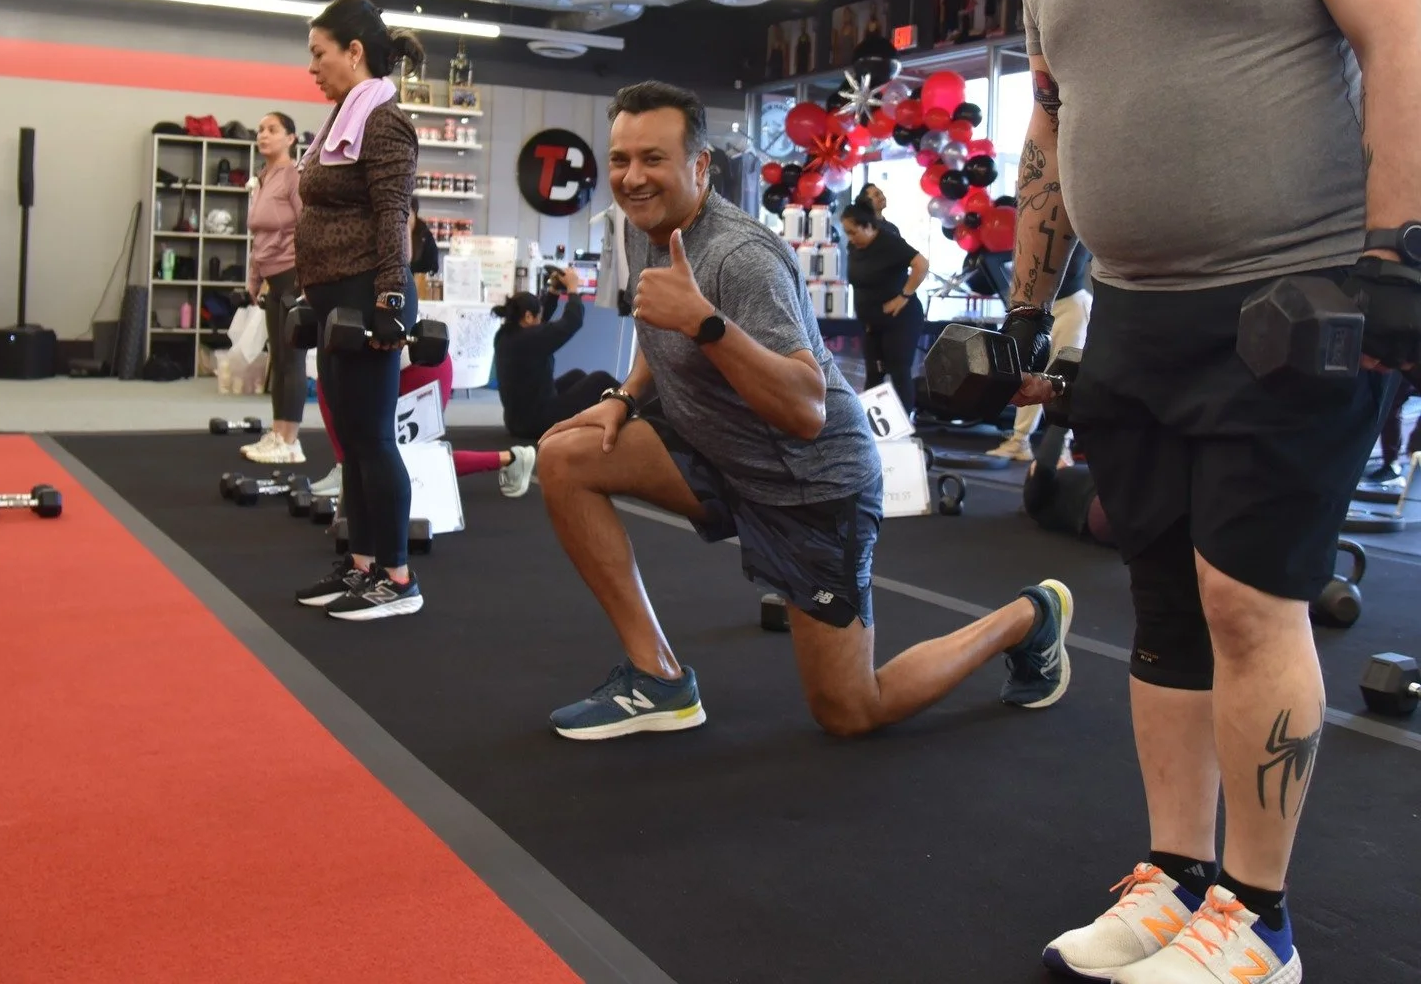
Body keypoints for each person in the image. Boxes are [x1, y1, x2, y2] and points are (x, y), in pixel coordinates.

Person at [1008, 0, 1420, 983]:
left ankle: (1259, 918)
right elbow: (1049, 128)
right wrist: (1026, 311)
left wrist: (1395, 259)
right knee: (1163, 600)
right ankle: (1175, 876)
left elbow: (1401, 41)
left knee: (1252, 602)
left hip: (1289, 299)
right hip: (1131, 314)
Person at [534, 79, 1073, 741]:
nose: (632, 177)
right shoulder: (650, 225)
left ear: (700, 166)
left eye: (653, 159)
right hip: (722, 456)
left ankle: (1027, 618)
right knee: (564, 457)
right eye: (620, 160)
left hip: (812, 486)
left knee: (850, 711)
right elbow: (659, 324)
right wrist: (624, 397)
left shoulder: (742, 257)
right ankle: (658, 678)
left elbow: (807, 408)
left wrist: (705, 322)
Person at [291, 0, 428, 621]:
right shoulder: (339, 121)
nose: (312, 68)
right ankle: (362, 564)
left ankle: (398, 578)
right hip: (333, 298)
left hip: (367, 298)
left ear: (354, 52)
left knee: (372, 440)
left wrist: (390, 304)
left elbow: (392, 217)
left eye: (319, 54)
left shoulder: (384, 123)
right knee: (351, 441)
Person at [313, 344, 537, 502]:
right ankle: (345, 468)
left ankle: (512, 458)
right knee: (328, 374)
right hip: (389, 364)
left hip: (423, 366)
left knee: (408, 462)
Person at [241, 111, 306, 467]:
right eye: (260, 130)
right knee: (278, 361)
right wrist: (254, 277)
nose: (263, 135)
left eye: (272, 130)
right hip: (271, 276)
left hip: (292, 275)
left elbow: (308, 227)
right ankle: (279, 434)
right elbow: (260, 235)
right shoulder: (263, 178)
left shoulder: (294, 177)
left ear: (290, 139)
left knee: (292, 359)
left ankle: (291, 440)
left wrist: (307, 281)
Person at [989, 242, 1093, 463]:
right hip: (1041, 307)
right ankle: (1020, 441)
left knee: (1065, 375)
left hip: (1071, 304)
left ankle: (1060, 448)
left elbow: (1070, 267)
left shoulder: (1077, 226)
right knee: (1027, 374)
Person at [493, 266, 619, 439]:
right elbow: (572, 321)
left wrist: (553, 290)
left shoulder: (505, 335)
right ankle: (637, 407)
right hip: (536, 423)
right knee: (601, 380)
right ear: (528, 317)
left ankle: (594, 423)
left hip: (518, 419)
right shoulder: (529, 339)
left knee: (577, 375)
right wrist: (573, 290)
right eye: (537, 317)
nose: (540, 320)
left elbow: (542, 321)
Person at [840, 200, 928, 417]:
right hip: (872, 322)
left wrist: (904, 296)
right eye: (847, 233)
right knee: (874, 374)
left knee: (898, 372)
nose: (850, 238)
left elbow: (921, 264)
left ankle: (906, 427)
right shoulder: (854, 247)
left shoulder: (889, 242)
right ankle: (870, 428)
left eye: (853, 232)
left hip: (900, 319)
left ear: (868, 226)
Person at [410, 197, 440, 279]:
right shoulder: (393, 234)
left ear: (414, 213)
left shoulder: (424, 234)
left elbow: (433, 266)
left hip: (418, 285)